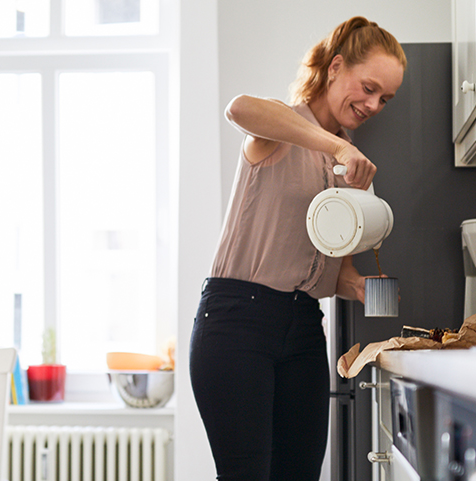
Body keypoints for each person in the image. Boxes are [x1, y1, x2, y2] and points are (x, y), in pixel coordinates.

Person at [189, 16, 406, 481]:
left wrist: (365, 289)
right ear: (335, 67)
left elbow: (337, 274)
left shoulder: (351, 165)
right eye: (368, 88)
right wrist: (336, 147)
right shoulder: (282, 127)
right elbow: (238, 108)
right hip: (236, 325)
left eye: (384, 98)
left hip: (305, 328)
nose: (373, 104)